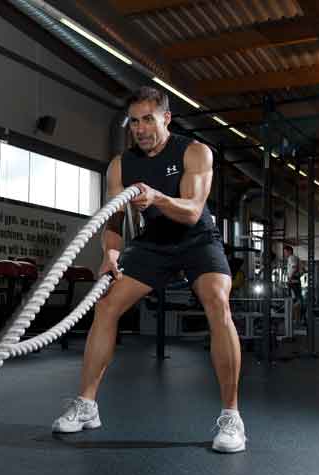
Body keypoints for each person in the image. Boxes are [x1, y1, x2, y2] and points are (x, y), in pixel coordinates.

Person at [52, 86, 246, 453]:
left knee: (218, 304)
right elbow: (112, 221)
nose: (140, 129)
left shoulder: (194, 151)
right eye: (134, 122)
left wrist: (156, 197)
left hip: (197, 239)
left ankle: (231, 416)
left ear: (166, 119)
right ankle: (87, 405)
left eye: (148, 120)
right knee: (106, 305)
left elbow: (191, 211)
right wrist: (110, 254)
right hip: (154, 241)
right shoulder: (121, 165)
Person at [283, 245, 303, 323]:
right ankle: (296, 319)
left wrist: (290, 278)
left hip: (293, 282)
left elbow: (294, 268)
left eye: (285, 252)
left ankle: (295, 319)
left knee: (295, 300)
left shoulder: (291, 258)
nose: (285, 254)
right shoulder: (295, 258)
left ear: (289, 251)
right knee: (296, 300)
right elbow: (302, 270)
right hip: (295, 281)